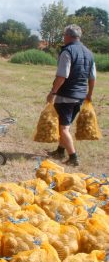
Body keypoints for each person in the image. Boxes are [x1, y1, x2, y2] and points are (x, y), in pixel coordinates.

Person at [46, 24, 96, 167]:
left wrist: (53, 92)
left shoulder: (67, 51)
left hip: (66, 96)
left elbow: (62, 76)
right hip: (80, 96)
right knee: (66, 125)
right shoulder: (89, 53)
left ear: (67, 36)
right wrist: (89, 94)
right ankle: (60, 151)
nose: (63, 38)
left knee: (63, 128)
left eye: (64, 35)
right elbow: (92, 77)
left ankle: (73, 157)